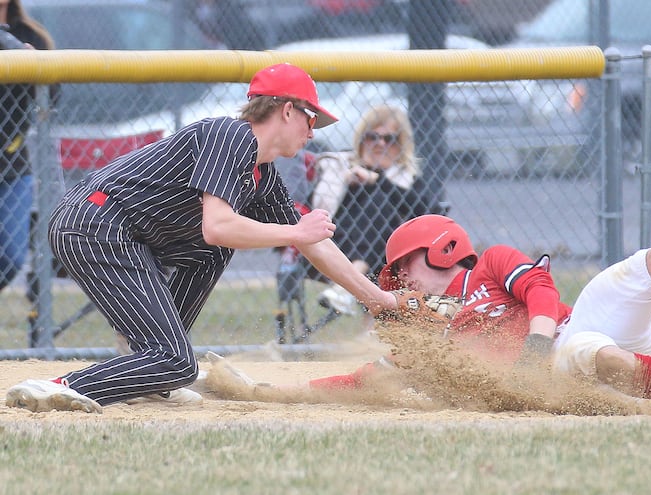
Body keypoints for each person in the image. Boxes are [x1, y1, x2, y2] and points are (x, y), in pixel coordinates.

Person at [4, 63, 398, 413]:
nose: (313, 133)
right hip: (95, 224)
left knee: (211, 259)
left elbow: (313, 244)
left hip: (122, 233)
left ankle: (150, 374)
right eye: (312, 120)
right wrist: (296, 230)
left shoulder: (262, 173)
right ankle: (63, 386)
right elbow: (219, 225)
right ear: (287, 109)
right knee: (178, 361)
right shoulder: (231, 135)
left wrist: (377, 298)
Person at [209, 189, 651, 407]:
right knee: (579, 351)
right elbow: (366, 380)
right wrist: (264, 390)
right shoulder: (428, 333)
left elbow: (540, 290)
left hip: (569, 329)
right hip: (573, 363)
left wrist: (535, 340)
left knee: (623, 277)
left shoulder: (487, 265)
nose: (398, 284)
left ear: (436, 250)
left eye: (401, 269)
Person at [313, 104, 431, 321]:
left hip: (391, 255)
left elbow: (426, 210)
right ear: (361, 140)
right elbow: (318, 207)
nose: (379, 144)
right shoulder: (340, 167)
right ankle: (354, 279)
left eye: (389, 139)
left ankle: (349, 288)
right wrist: (346, 183)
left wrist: (378, 181)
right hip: (337, 244)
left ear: (401, 144)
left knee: (383, 201)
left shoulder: (407, 177)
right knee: (380, 203)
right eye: (372, 137)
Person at [0, 0, 56, 294]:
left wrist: (36, 64)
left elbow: (52, 98)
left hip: (12, 162)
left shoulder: (31, 35)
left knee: (11, 256)